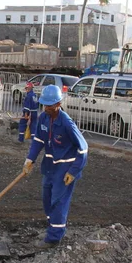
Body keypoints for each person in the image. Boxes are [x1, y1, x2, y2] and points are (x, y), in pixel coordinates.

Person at [22, 85, 88, 249]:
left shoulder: (66, 122)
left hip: (64, 169)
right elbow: (39, 141)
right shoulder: (44, 118)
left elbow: (84, 148)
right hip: (50, 167)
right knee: (47, 199)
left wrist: (73, 171)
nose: (46, 108)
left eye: (50, 105)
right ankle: (53, 227)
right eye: (45, 104)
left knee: (58, 201)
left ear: (58, 103)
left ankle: (54, 238)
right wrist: (30, 160)